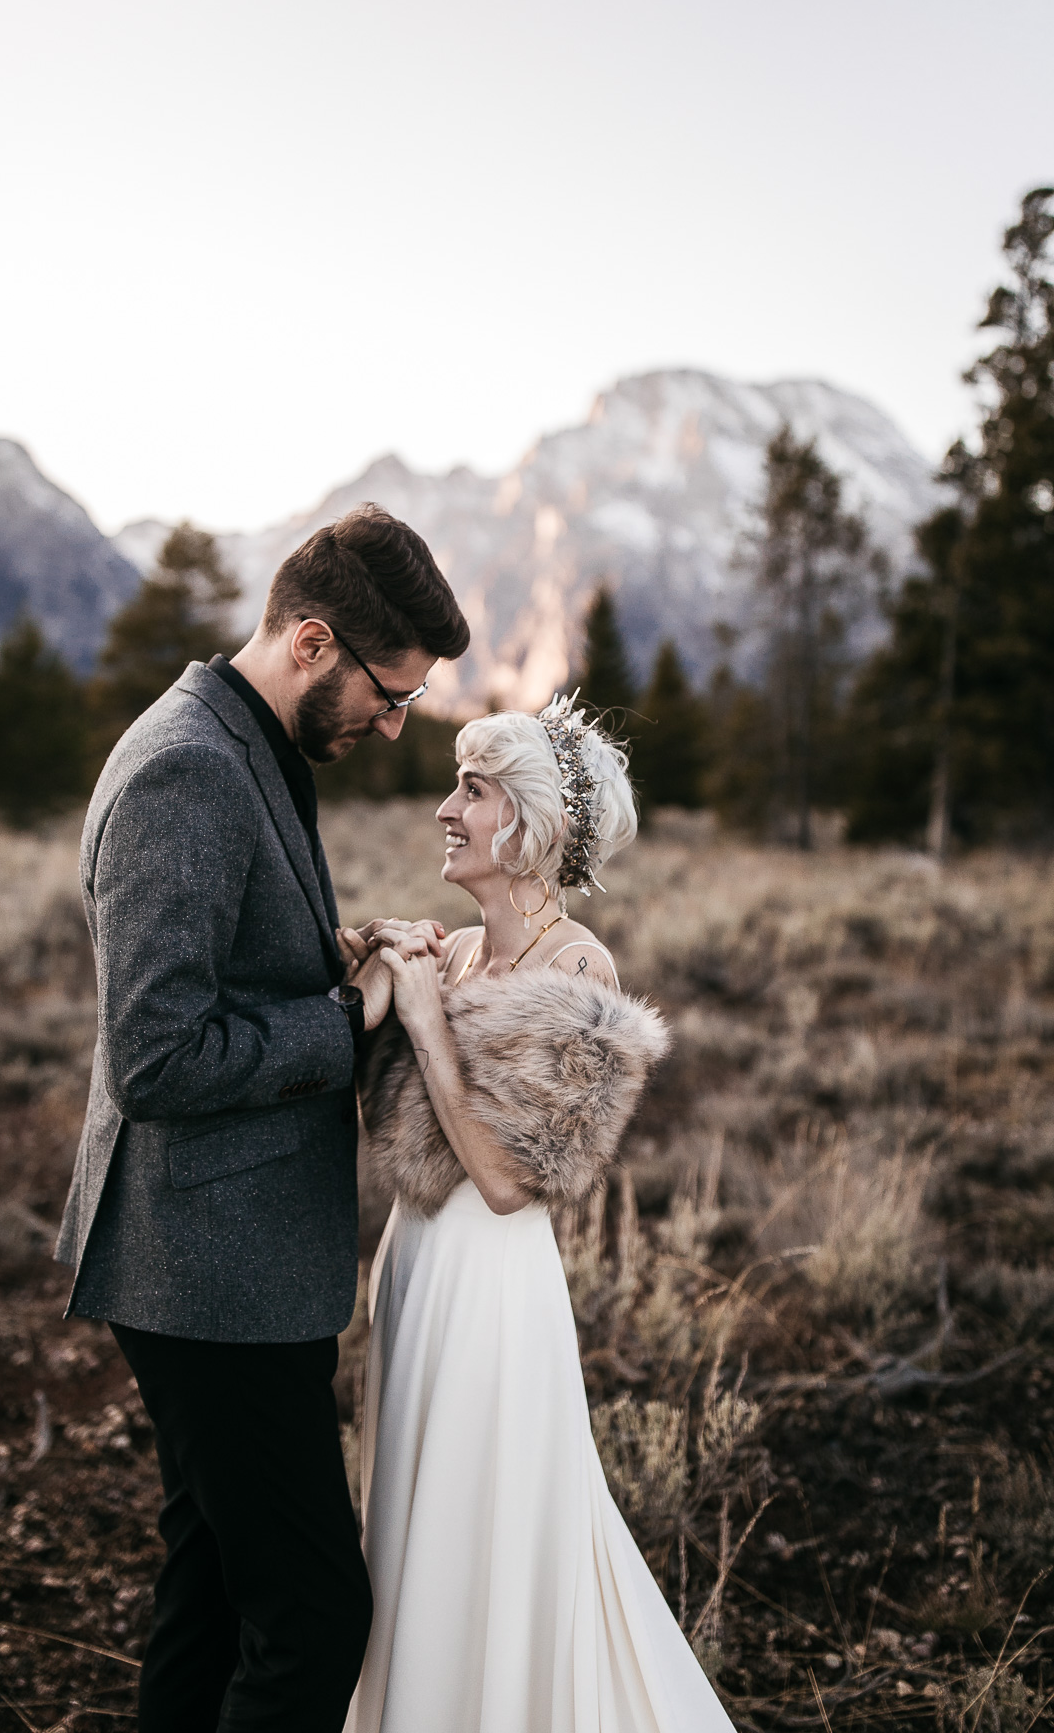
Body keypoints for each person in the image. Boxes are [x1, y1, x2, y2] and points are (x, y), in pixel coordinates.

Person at [53, 503, 470, 1733]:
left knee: (217, 1587)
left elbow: (218, 967)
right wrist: (348, 1019)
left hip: (225, 1256)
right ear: (311, 641)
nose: (394, 725)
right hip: (204, 1269)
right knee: (314, 1615)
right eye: (386, 694)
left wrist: (331, 956)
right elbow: (159, 1055)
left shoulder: (248, 743)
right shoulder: (188, 765)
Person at [343, 699, 735, 1733]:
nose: (445, 810)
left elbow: (511, 1184)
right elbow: (390, 1130)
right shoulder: (460, 952)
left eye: (470, 791)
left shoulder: (578, 970)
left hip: (492, 1289)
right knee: (411, 1524)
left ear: (524, 824)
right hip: (415, 1270)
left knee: (485, 1521)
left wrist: (428, 1027)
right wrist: (374, 977)